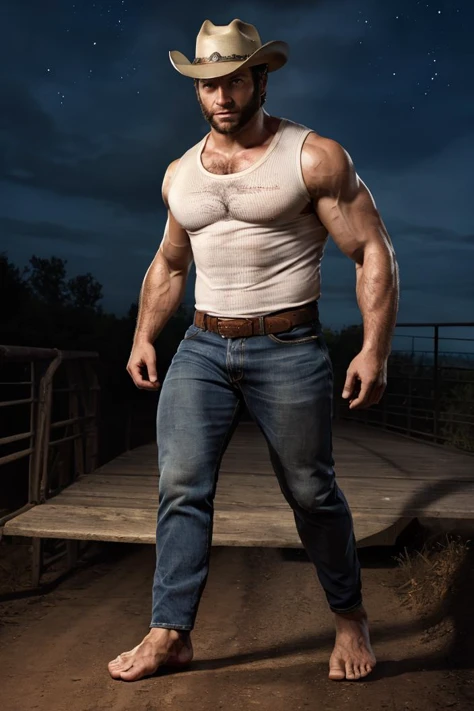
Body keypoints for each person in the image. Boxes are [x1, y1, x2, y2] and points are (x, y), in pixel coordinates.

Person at [108, 19, 399, 683]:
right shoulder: (180, 174)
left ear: (259, 78)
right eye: (209, 84)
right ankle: (170, 631)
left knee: (311, 490)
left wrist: (373, 348)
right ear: (198, 91)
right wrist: (144, 335)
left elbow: (371, 250)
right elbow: (171, 262)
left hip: (289, 346)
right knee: (181, 485)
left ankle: (350, 616)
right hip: (203, 347)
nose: (222, 96)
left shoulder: (314, 157)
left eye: (234, 80)